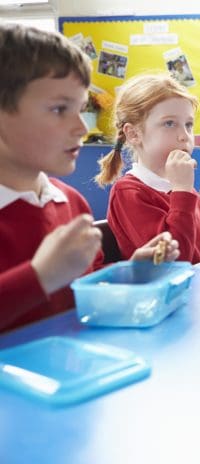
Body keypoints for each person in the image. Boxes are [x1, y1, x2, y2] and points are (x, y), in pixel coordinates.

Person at [0, 24, 177, 333]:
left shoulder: (70, 204)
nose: (81, 128)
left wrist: (130, 271)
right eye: (59, 109)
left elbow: (87, 292)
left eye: (81, 109)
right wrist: (39, 277)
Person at [95, 74, 200, 263]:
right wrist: (182, 192)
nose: (184, 136)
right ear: (133, 134)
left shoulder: (185, 190)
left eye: (188, 125)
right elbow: (174, 263)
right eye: (169, 123)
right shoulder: (129, 192)